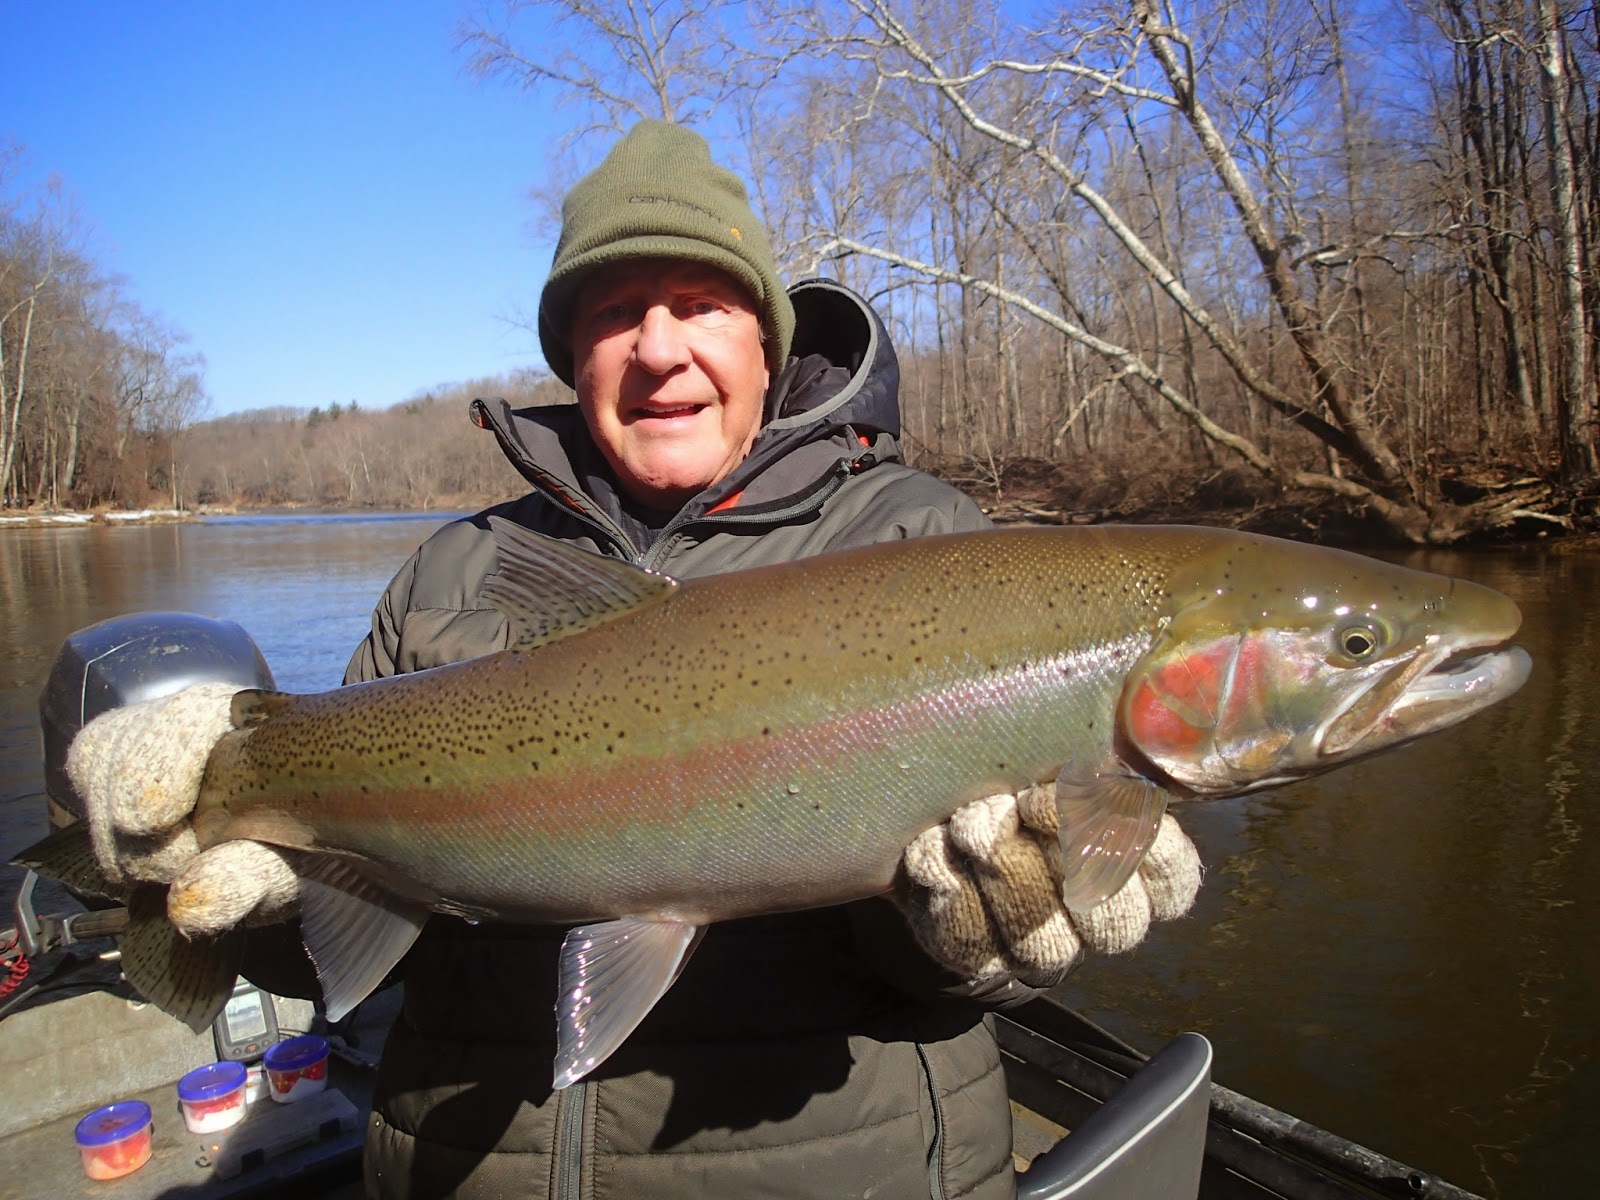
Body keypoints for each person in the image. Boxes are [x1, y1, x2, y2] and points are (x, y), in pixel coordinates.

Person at [68, 121, 1202, 1199]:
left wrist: (974, 943)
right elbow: (340, 955)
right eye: (616, 312)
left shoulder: (920, 543)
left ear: (767, 344)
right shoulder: (455, 570)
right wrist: (234, 887)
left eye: (702, 305)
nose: (660, 349)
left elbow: (966, 958)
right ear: (572, 355)